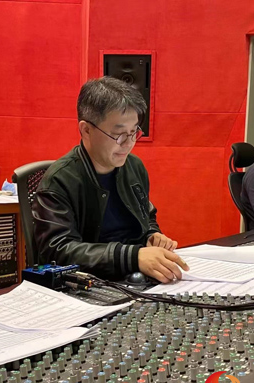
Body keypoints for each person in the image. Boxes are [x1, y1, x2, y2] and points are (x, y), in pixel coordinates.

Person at [32, 76, 189, 284]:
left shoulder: (134, 167)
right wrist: (132, 257)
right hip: (90, 284)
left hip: (134, 277)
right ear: (86, 130)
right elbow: (58, 250)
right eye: (119, 134)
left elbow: (147, 215)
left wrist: (152, 235)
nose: (128, 143)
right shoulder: (59, 180)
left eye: (134, 132)